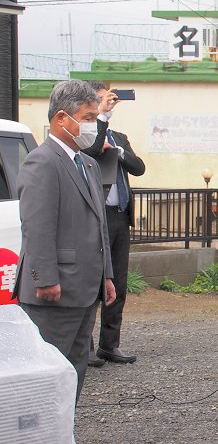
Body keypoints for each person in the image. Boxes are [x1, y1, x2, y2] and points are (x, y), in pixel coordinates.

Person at [13, 79, 116, 400]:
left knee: (75, 366)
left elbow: (99, 224)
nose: (92, 126)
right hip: (55, 289)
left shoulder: (88, 163)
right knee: (47, 370)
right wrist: (44, 277)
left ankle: (64, 422)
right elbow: (37, 226)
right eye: (88, 118)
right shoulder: (42, 161)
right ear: (61, 118)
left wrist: (107, 275)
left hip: (86, 287)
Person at [82, 80, 145, 365]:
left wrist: (118, 151)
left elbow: (139, 167)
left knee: (118, 281)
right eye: (99, 99)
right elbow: (93, 149)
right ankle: (84, 345)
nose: (106, 103)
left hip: (120, 215)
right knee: (92, 281)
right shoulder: (85, 135)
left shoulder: (118, 136)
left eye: (107, 99)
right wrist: (102, 118)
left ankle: (110, 344)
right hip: (96, 216)